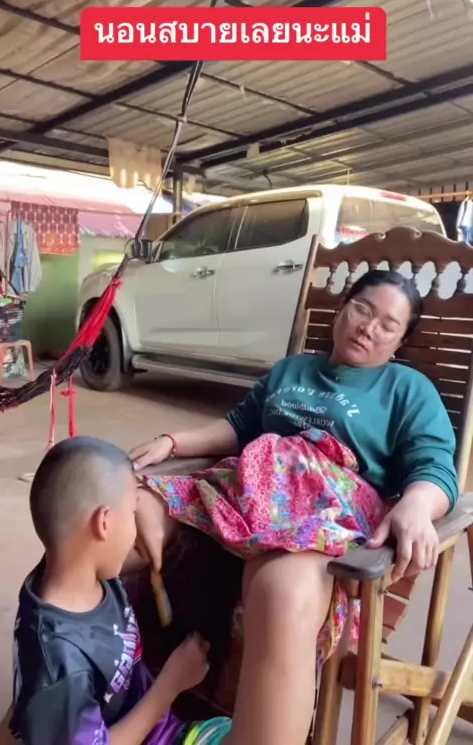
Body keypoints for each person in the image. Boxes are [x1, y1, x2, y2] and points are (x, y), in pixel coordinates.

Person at [129, 269, 459, 745]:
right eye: (363, 309)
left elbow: (436, 467)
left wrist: (417, 503)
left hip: (320, 521)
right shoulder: (292, 370)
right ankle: (98, 693)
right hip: (245, 496)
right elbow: (241, 425)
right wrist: (173, 441)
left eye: (388, 325)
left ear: (399, 342)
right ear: (343, 308)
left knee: (280, 589)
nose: (368, 327)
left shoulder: (406, 388)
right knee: (126, 512)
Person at [9, 436, 232, 745]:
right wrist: (171, 685)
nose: (136, 527)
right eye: (133, 513)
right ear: (104, 523)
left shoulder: (77, 574)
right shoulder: (62, 664)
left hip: (154, 723)